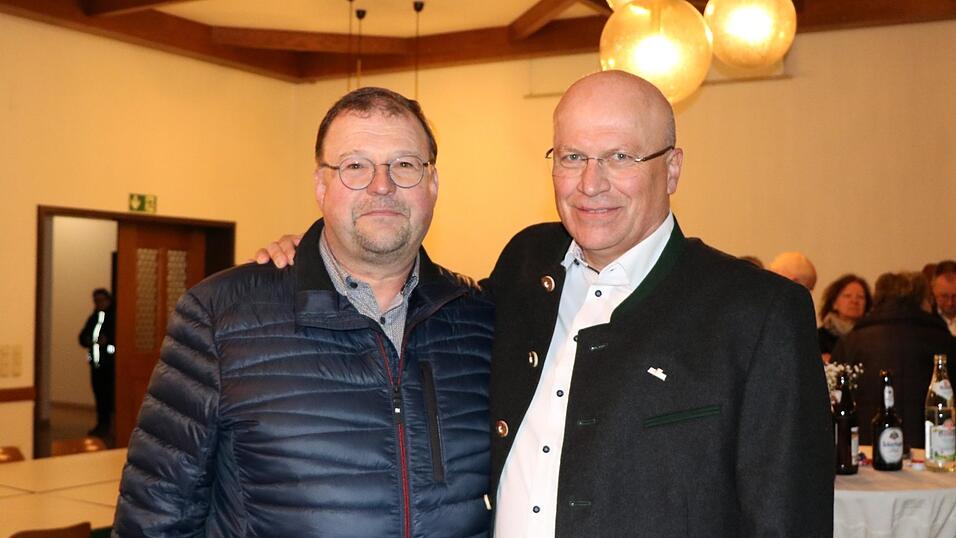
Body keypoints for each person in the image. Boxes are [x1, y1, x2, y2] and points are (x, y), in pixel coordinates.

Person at [257, 72, 834, 536]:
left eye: (620, 158)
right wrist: (313, 255)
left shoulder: (757, 314)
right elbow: (421, 301)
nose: (591, 184)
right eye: (572, 157)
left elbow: (788, 518)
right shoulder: (526, 265)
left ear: (673, 167)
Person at [113, 87, 495, 537]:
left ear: (432, 185)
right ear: (321, 186)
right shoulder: (220, 317)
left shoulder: (481, 322)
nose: (382, 185)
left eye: (405, 165)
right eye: (355, 166)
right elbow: (154, 518)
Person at [832, 272, 956, 448]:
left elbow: (835, 400)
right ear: (924, 300)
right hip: (934, 446)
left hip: (868, 446)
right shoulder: (944, 341)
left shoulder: (852, 341)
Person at [78, 288, 115, 439]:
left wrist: (108, 341)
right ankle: (102, 424)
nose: (99, 303)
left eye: (101, 300)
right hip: (96, 365)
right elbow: (81, 337)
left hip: (111, 365)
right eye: (96, 301)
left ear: (108, 300)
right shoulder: (93, 318)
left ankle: (112, 426)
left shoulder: (114, 317)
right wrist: (87, 340)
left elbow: (120, 338)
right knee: (99, 396)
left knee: (109, 396)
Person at [817, 274, 872, 360]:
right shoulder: (819, 337)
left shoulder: (871, 336)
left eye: (860, 297)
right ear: (834, 303)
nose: (854, 301)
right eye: (847, 296)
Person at [932, 260, 956, 335]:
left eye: (955, 296)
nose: (950, 303)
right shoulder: (926, 319)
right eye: (944, 296)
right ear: (933, 291)